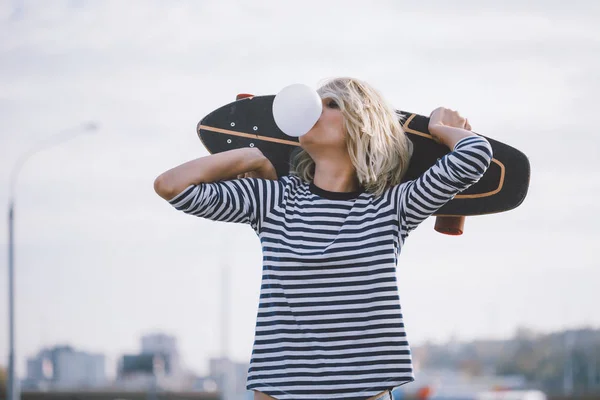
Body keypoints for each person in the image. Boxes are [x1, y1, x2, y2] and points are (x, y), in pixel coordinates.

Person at [154, 77, 493, 400]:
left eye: (330, 103)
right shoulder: (274, 200)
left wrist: (441, 129)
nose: (313, 108)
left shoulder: (392, 206)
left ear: (362, 125)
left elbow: (474, 155)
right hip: (279, 391)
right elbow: (171, 186)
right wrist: (250, 157)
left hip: (365, 388)